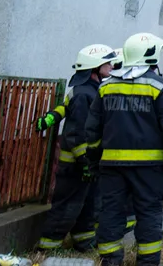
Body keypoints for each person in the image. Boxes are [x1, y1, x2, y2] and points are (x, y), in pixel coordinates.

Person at [86, 33, 163, 266]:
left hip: (111, 167)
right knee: (149, 214)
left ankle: (110, 261)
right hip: (148, 169)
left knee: (110, 213)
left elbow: (92, 130)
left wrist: (92, 159)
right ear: (150, 55)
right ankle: (147, 262)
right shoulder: (160, 87)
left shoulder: (105, 87)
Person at [34, 43, 118, 253]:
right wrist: (86, 162)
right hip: (75, 167)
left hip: (88, 166)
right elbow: (77, 133)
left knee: (88, 207)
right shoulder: (83, 94)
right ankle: (47, 247)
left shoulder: (93, 90)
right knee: (66, 208)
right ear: (94, 67)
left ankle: (83, 242)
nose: (111, 65)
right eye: (107, 62)